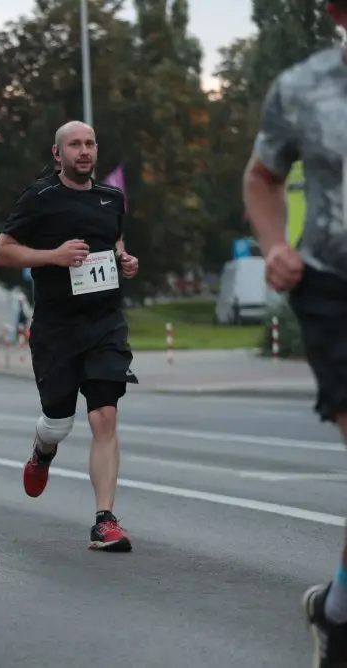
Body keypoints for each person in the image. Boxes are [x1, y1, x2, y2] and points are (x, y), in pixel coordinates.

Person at [242, 12, 347, 663]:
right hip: (334, 287)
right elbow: (263, 177)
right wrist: (275, 244)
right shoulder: (302, 88)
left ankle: (337, 612)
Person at [0, 120, 140, 553]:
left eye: (90, 143)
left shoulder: (112, 198)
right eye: (75, 144)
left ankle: (104, 521)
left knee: (104, 416)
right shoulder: (40, 198)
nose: (84, 151)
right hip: (56, 329)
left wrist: (124, 259)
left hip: (105, 323)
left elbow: (114, 243)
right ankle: (43, 451)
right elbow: (2, 251)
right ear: (58, 154)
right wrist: (53, 256)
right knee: (58, 423)